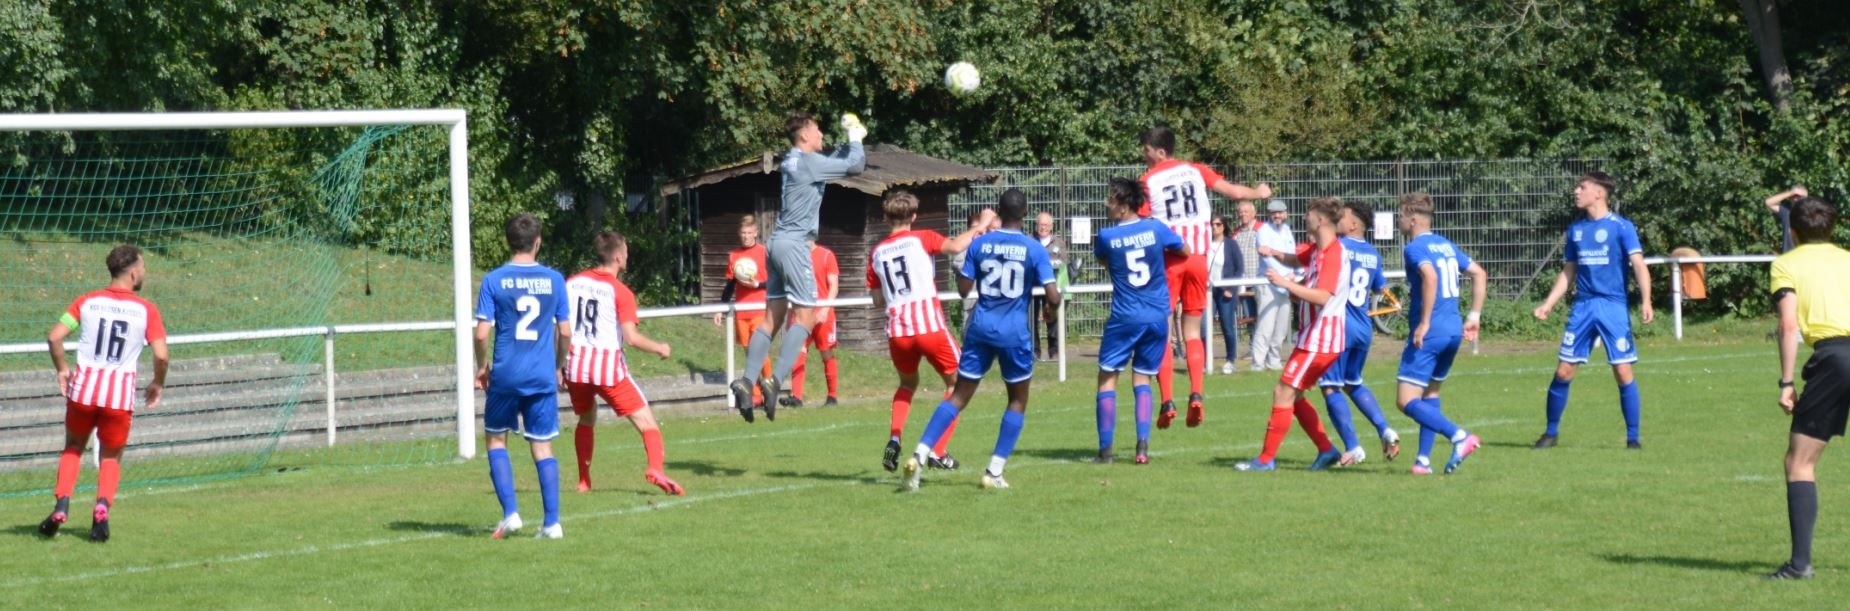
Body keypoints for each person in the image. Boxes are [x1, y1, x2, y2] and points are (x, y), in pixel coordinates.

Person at [901, 188, 1059, 490]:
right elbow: (1052, 296)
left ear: (998, 211)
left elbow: (963, 290)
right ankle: (994, 471)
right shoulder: (1034, 248)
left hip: (981, 328)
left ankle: (920, 454)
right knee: (1017, 399)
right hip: (1014, 333)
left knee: (959, 396)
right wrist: (1054, 304)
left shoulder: (981, 243)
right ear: (1026, 213)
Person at [730, 111, 867, 422]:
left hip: (775, 243)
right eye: (817, 130)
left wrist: (846, 144)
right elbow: (855, 166)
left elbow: (833, 162)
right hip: (795, 245)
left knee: (771, 319)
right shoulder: (809, 162)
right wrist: (855, 138)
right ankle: (775, 380)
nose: (821, 135)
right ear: (804, 135)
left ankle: (747, 381)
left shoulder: (792, 160)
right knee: (805, 316)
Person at [1138, 127, 1273, 428]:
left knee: (1162, 330)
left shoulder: (1148, 181)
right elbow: (1234, 192)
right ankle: (1197, 393)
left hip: (1170, 261)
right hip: (1199, 260)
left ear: (1160, 152)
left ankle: (1167, 400)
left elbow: (1141, 222)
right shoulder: (1196, 170)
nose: (1143, 156)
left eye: (1146, 150)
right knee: (1192, 330)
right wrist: (1259, 193)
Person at [37, 245, 168, 543]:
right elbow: (161, 355)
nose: (144, 273)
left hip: (83, 392)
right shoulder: (146, 310)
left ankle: (62, 504)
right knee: (110, 457)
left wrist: (62, 369)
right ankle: (101, 510)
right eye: (143, 268)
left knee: (73, 447)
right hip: (118, 398)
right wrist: (157, 383)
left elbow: (54, 337)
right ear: (133, 273)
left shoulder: (87, 302)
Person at [869, 190, 994, 472]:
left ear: (886, 218)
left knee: (907, 385)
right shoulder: (922, 238)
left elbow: (877, 300)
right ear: (914, 216)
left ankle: (895, 438)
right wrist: (982, 225)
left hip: (898, 331)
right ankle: (937, 450)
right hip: (928, 326)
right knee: (959, 384)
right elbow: (955, 246)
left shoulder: (876, 253)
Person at [1531, 171, 1655, 450]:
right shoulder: (1576, 230)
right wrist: (1548, 304)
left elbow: (1638, 265)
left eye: (1582, 187)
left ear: (1599, 193)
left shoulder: (1621, 227)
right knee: (1564, 371)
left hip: (1613, 306)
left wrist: (1646, 300)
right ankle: (1550, 433)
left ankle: (1633, 438)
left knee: (1622, 371)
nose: (1576, 191)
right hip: (1583, 307)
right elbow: (1569, 271)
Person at [1765, 196, 1850, 580]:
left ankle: (1800, 565)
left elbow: (1788, 325)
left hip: (1835, 358)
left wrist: (1786, 382)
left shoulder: (1787, 263)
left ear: (1793, 230)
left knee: (1799, 462)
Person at [474, 213, 572, 539]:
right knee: (542, 446)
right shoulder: (555, 280)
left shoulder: (493, 280)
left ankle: (511, 514)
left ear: (509, 241)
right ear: (537, 242)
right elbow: (565, 331)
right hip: (541, 376)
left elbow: (481, 333)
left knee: (495, 439)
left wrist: (482, 366)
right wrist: (558, 366)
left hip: (505, 374)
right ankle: (552, 523)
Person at [566, 231, 683, 497]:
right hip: (607, 369)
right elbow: (631, 338)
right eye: (626, 252)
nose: (628, 256)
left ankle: (584, 481)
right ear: (618, 257)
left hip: (576, 366)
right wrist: (660, 348)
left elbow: (561, 328)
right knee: (647, 423)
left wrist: (560, 365)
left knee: (586, 418)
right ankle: (655, 469)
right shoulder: (621, 292)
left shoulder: (572, 283)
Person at [1235, 198, 1345, 472]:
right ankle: (1326, 450)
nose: (1304, 218)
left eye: (1309, 214)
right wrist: (1274, 253)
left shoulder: (1332, 254)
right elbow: (1295, 259)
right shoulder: (1318, 250)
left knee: (1283, 391)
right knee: (1293, 396)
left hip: (1321, 339)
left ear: (1321, 220)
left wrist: (1286, 283)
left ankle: (1265, 460)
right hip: (1312, 337)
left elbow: (1322, 296)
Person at [1093, 177, 1187, 464]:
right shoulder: (1156, 228)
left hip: (1126, 316)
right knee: (1143, 376)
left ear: (1124, 206)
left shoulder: (1106, 236)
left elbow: (1106, 262)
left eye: (1111, 199)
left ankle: (1106, 452)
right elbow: (1184, 250)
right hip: (1157, 316)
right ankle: (1142, 449)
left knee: (1107, 378)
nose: (1107, 204)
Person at [1393, 193, 1487, 474]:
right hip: (1453, 331)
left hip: (1431, 332)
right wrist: (1474, 316)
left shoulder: (1415, 248)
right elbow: (1479, 273)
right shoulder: (1445, 245)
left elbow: (1430, 277)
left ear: (1412, 219)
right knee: (1430, 393)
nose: (1398, 221)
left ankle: (1459, 436)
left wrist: (1424, 323)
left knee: (1405, 400)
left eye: (1400, 215)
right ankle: (1423, 461)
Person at [1319, 201, 1401, 466]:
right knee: (1352, 383)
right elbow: (1378, 287)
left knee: (1330, 386)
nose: (1336, 219)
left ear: (1353, 224)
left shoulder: (1338, 247)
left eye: (1341, 217)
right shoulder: (1373, 253)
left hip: (1340, 327)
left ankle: (1353, 447)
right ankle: (1385, 430)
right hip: (1363, 329)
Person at [712, 215, 771, 413]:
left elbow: (775, 281)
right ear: (740, 234)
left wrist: (758, 285)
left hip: (760, 309)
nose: (746, 236)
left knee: (759, 351)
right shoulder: (735, 256)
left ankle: (770, 390)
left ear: (756, 233)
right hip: (741, 311)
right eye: (743, 233)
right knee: (749, 353)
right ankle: (756, 395)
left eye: (749, 233)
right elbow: (730, 285)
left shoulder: (764, 253)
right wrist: (721, 308)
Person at [786, 238, 840, 407]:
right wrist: (790, 316)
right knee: (798, 352)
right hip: (802, 314)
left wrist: (825, 309)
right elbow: (792, 289)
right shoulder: (795, 258)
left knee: (826, 353)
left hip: (823, 315)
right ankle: (796, 397)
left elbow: (833, 286)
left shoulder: (826, 255)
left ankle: (832, 396)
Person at [1252, 200, 1298, 372]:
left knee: (1281, 328)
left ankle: (1274, 361)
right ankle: (1257, 364)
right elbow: (1268, 259)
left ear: (1285, 214)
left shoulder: (1287, 230)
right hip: (1268, 283)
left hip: (1285, 285)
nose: (1277, 216)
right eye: (1273, 213)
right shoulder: (1263, 231)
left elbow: (1291, 255)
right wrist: (1284, 276)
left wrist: (1293, 274)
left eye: (1280, 212)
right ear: (1269, 215)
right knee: (1266, 326)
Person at [1031, 210, 1070, 361]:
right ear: (1036, 225)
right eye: (1041, 224)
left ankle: (1054, 351)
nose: (1043, 227)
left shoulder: (1059, 243)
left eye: (1046, 225)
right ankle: (1034, 351)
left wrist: (1043, 264)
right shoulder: (1029, 240)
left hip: (1052, 285)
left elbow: (1063, 261)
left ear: (1051, 227)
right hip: (1033, 285)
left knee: (1053, 318)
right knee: (1031, 318)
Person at [1208, 214, 1244, 375]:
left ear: (1223, 226)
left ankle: (1230, 360)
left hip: (1225, 291)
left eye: (1218, 224)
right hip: (1208, 290)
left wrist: (1231, 288)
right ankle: (1205, 360)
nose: (1214, 227)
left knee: (1227, 326)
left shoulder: (1231, 244)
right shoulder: (1205, 243)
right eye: (1212, 224)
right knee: (1204, 326)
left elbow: (1239, 268)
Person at [1232, 200, 1263, 356]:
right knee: (1249, 315)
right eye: (1241, 211)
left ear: (1253, 213)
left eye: (1246, 211)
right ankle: (1253, 347)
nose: (1243, 214)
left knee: (1262, 314)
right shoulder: (1236, 234)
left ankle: (1263, 347)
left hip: (1260, 280)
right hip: (1243, 282)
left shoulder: (1262, 230)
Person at [1765, 185, 1807, 253]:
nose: (1795, 199)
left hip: (1805, 254)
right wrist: (1791, 192)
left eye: (1798, 196)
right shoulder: (1786, 211)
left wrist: (1804, 195)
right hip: (1788, 254)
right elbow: (1768, 202)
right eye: (1793, 196)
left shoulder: (1810, 212)